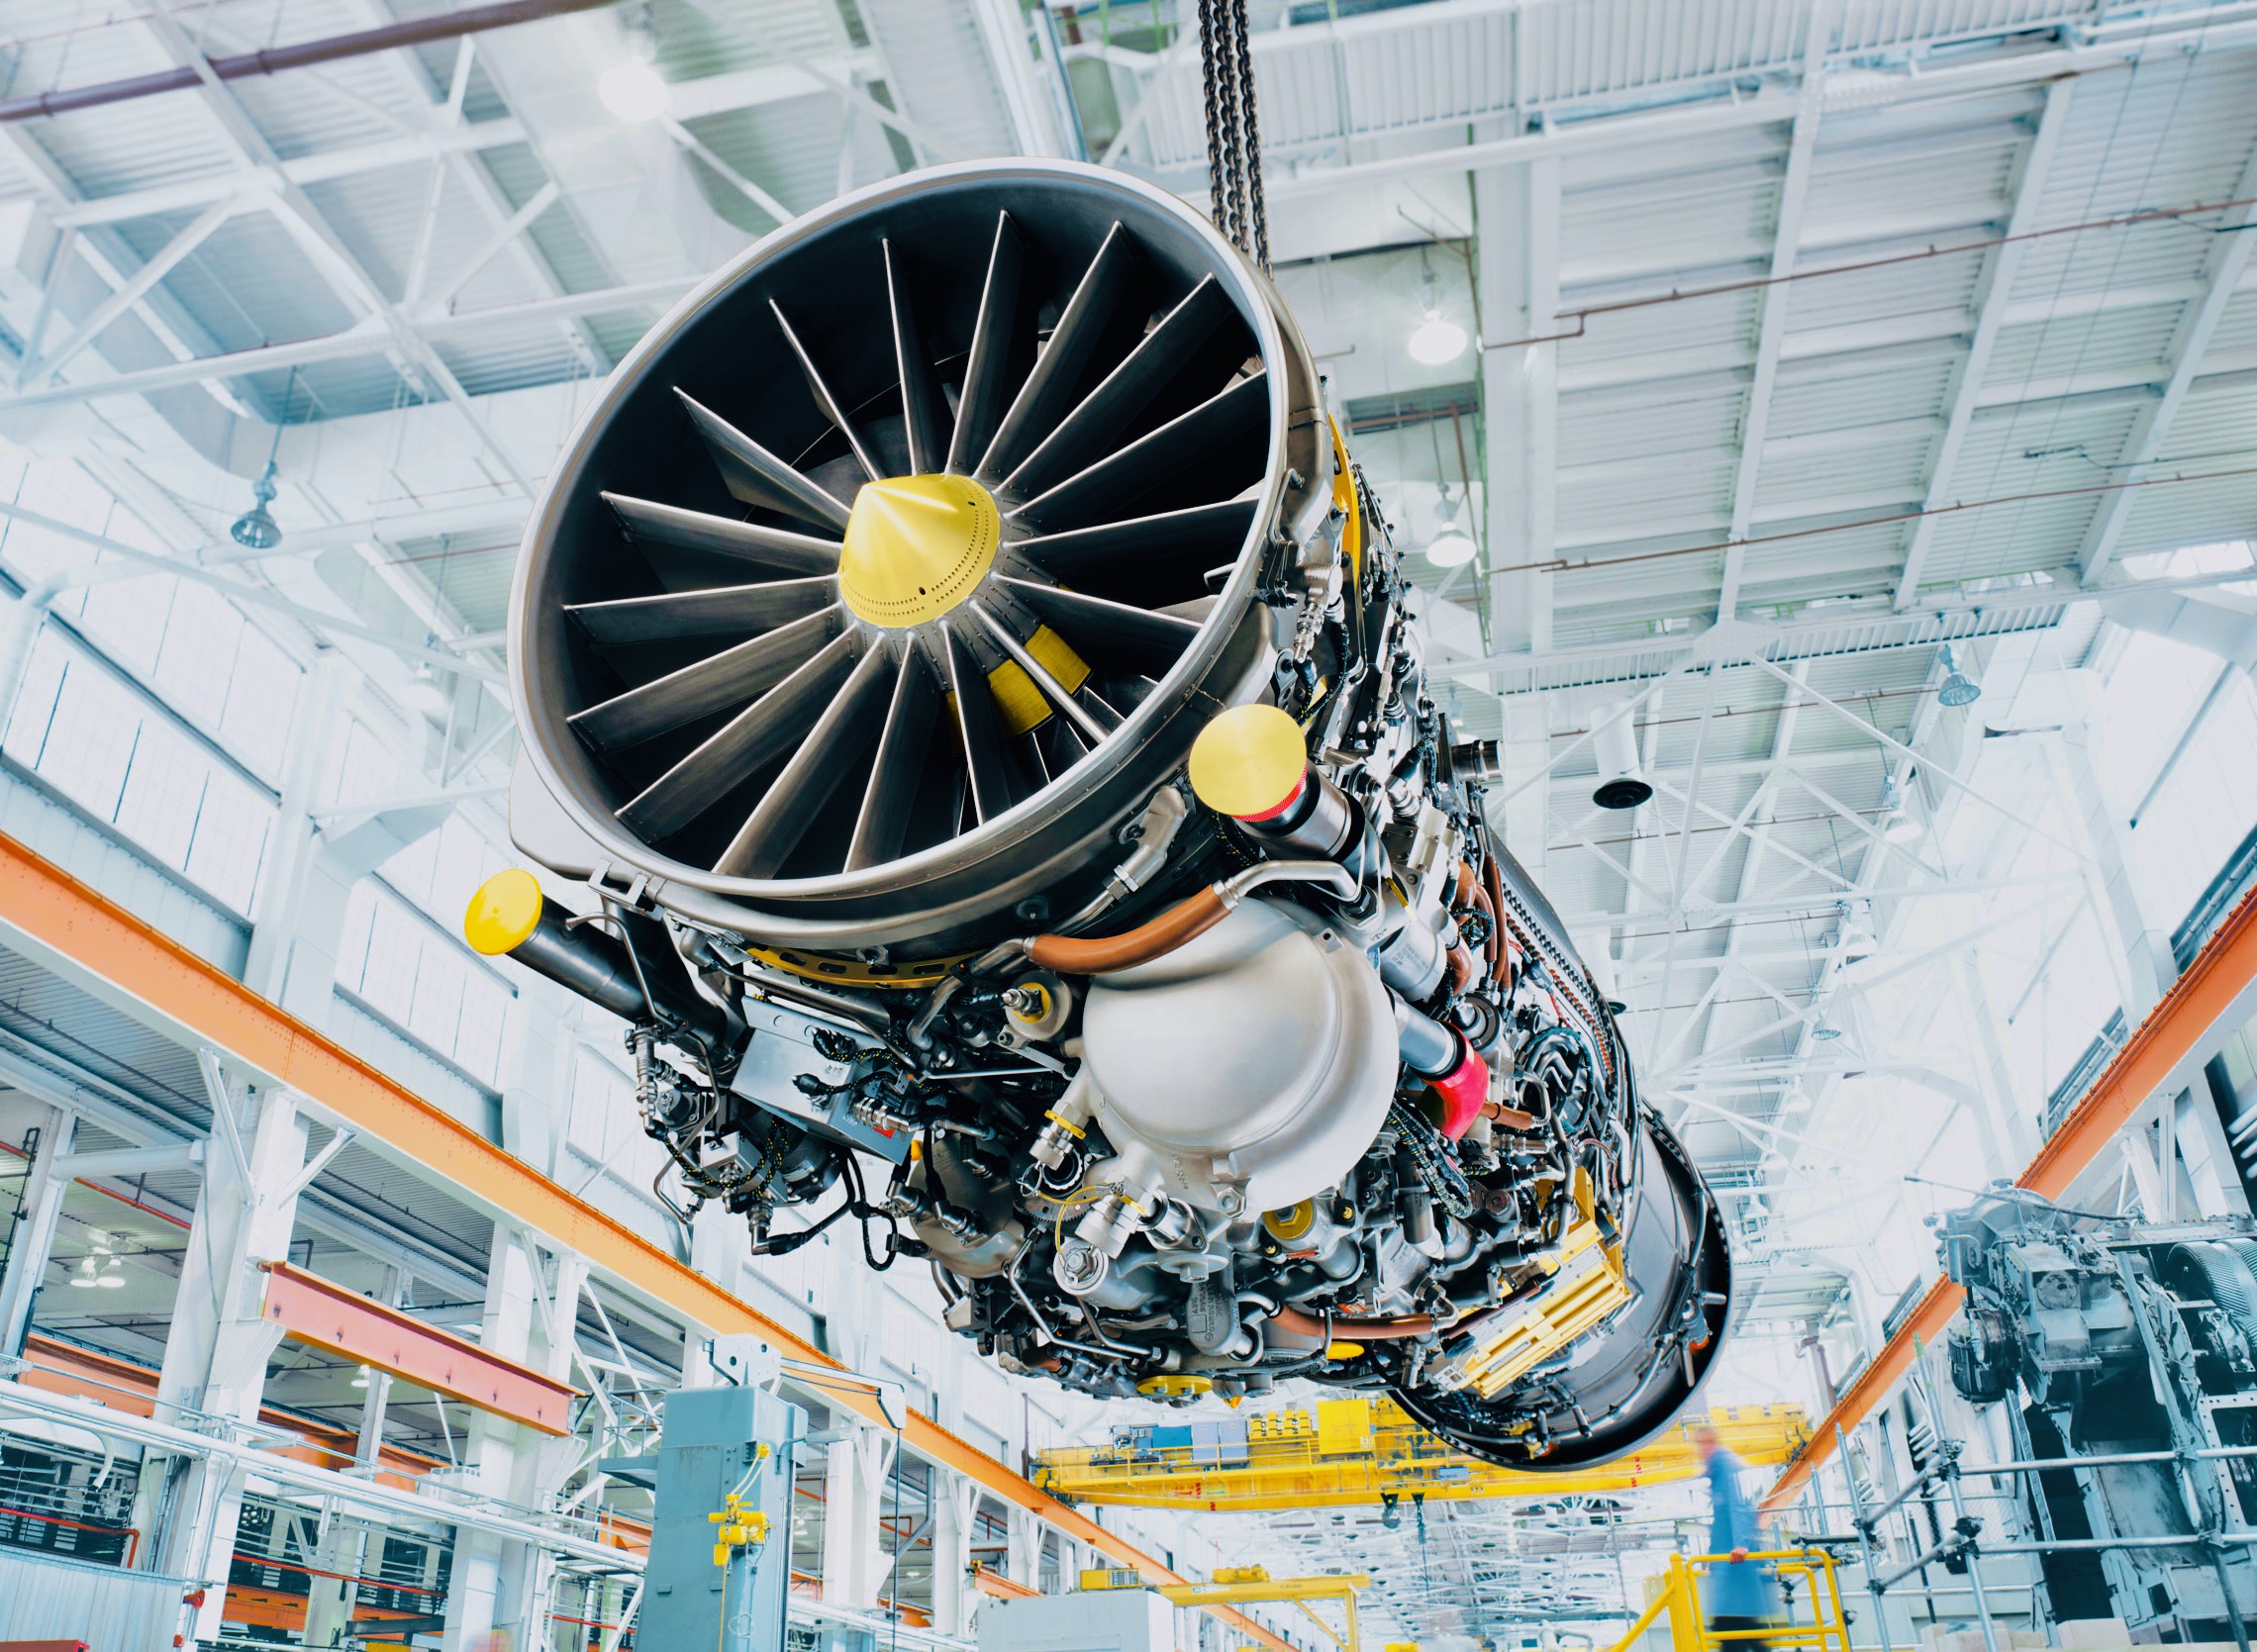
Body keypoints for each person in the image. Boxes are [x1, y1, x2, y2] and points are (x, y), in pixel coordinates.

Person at [1695, 1423, 1779, 1649]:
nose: (1702, 1451)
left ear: (1713, 1443)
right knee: (1740, 1630)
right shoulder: (1718, 1471)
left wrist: (1742, 1545)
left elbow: (1739, 1507)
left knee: (1733, 1629)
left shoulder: (1725, 1465)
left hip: (1734, 1564)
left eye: (1704, 1444)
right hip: (1728, 1565)